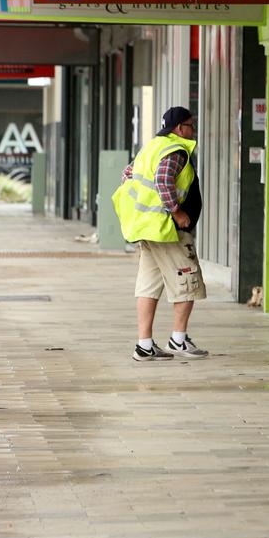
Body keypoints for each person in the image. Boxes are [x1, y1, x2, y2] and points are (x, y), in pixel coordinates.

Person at [112, 106, 208, 361]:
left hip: (148, 227)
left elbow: (127, 173)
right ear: (180, 128)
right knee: (188, 281)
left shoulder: (152, 146)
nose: (194, 130)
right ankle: (178, 340)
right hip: (168, 231)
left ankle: (144, 345)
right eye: (191, 125)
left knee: (148, 286)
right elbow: (163, 182)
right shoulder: (176, 151)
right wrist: (176, 212)